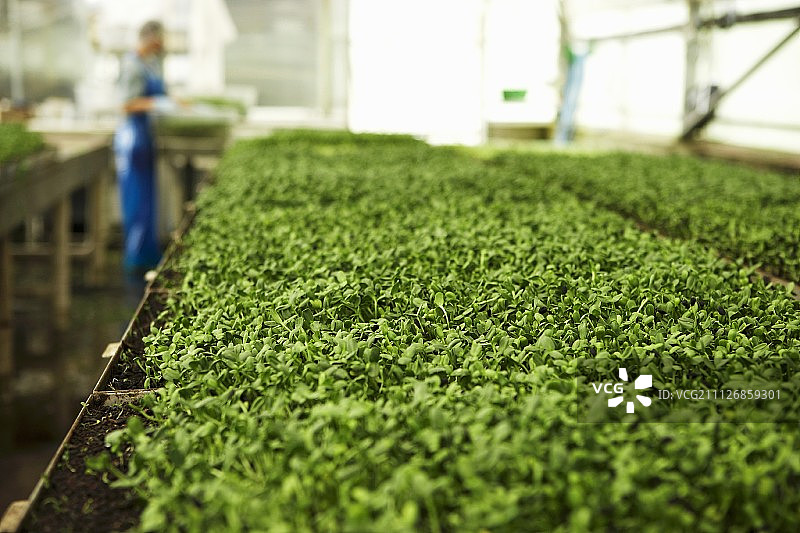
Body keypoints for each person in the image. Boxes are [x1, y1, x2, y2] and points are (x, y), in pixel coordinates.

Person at [114, 20, 175, 274]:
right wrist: (156, 104)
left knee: (146, 200)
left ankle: (146, 255)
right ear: (150, 39)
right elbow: (126, 105)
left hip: (144, 137)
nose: (162, 45)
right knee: (136, 200)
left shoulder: (149, 63)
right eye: (160, 40)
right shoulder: (132, 65)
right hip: (132, 138)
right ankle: (135, 260)